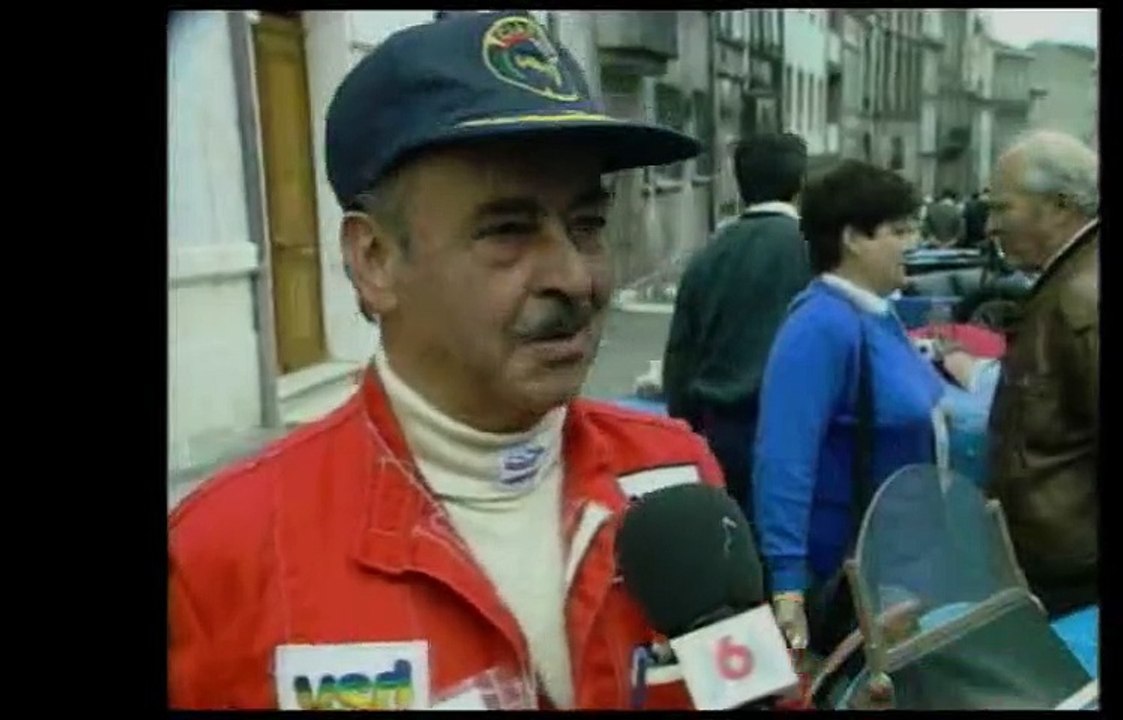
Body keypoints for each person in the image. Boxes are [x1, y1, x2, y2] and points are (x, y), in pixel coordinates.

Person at [167, 13, 726, 710]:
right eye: (508, 231)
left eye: (586, 224)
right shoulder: (225, 556)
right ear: (375, 260)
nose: (575, 277)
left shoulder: (678, 481)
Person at [752, 160, 945, 656]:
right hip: (854, 577)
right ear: (853, 239)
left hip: (901, 566)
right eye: (899, 231)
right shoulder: (820, 326)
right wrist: (789, 584)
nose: (914, 242)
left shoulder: (876, 315)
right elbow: (784, 457)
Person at [662, 133, 811, 523]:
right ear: (801, 183)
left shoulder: (708, 255)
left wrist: (684, 430)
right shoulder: (812, 250)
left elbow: (680, 356)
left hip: (718, 431)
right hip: (790, 434)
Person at [984, 130, 1099, 618]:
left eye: (1002, 207)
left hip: (1074, 584)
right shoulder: (1069, 283)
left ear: (1058, 206)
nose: (991, 225)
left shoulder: (1081, 301)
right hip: (1058, 570)